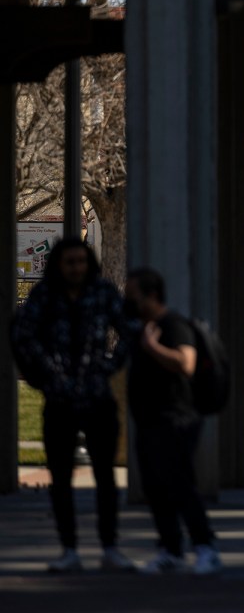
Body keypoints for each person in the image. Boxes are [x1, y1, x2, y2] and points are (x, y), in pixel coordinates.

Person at [10, 238, 136, 574]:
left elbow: (128, 330)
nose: (76, 268)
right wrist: (43, 374)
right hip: (59, 399)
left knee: (104, 476)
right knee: (61, 477)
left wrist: (109, 365)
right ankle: (69, 549)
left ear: (88, 263)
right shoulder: (44, 295)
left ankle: (110, 547)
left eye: (81, 261)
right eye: (69, 262)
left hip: (97, 396)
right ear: (59, 264)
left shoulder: (102, 292)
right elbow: (23, 334)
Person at [124, 267, 221, 575]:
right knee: (155, 487)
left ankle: (205, 547)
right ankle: (170, 549)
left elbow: (186, 363)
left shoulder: (173, 325)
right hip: (149, 420)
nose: (129, 302)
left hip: (175, 419)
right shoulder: (143, 327)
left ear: (151, 296)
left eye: (133, 296)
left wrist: (152, 348)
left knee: (180, 485)